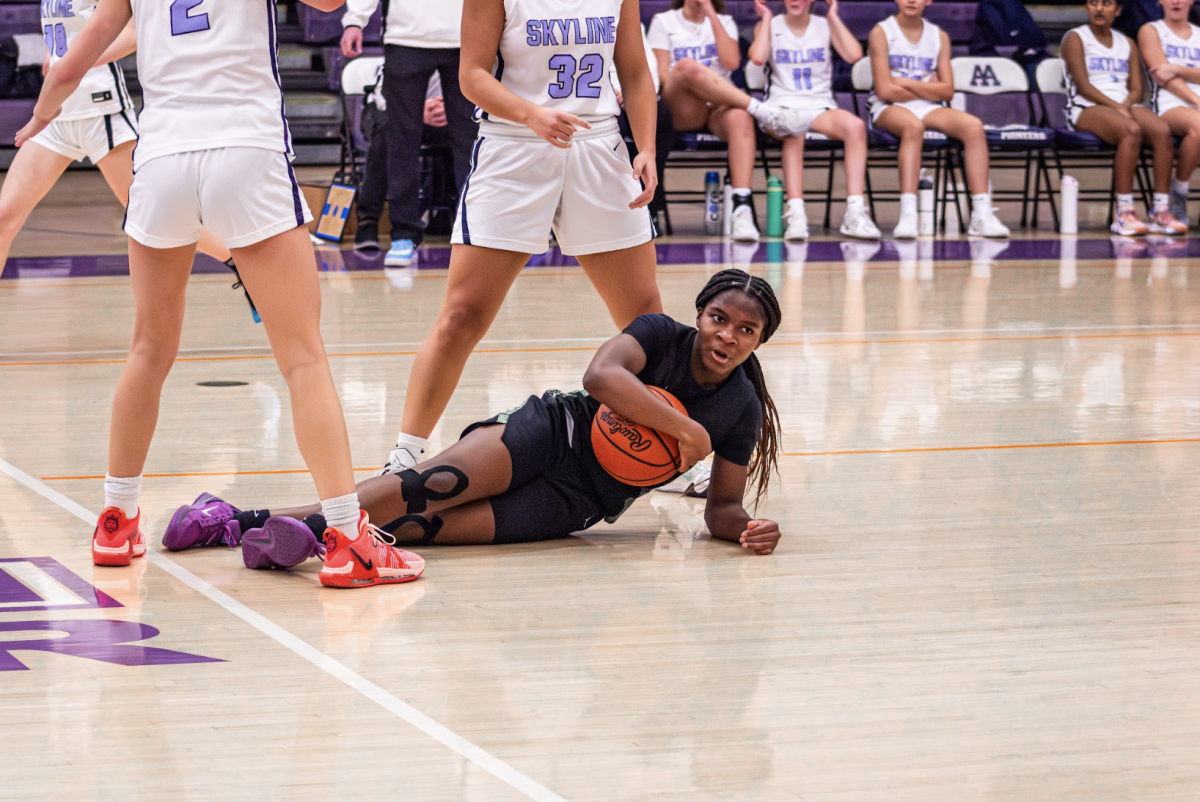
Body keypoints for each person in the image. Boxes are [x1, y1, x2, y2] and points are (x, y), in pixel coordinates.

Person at [17, 0, 420, 587]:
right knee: (303, 357)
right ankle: (350, 541)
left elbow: (71, 61)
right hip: (244, 148)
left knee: (147, 351)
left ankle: (115, 519)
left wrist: (40, 118)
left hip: (161, 159)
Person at [163, 270, 784, 563]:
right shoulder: (658, 333)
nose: (727, 335)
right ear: (699, 314)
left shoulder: (740, 409)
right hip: (550, 433)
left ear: (758, 342)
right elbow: (601, 378)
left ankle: (290, 542)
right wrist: (682, 429)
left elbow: (721, 507)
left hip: (579, 500)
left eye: (745, 330)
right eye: (718, 318)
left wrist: (746, 528)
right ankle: (233, 519)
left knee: (418, 531)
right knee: (424, 488)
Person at [376, 0, 664, 480]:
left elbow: (634, 72)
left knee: (646, 319)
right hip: (514, 147)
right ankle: (405, 454)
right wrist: (530, 113)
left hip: (598, 146)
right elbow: (471, 75)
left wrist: (648, 148)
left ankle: (674, 441)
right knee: (462, 316)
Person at [0, 11, 234, 275]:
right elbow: (67, 29)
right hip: (57, 114)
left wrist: (76, 63)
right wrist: (51, 54)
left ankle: (242, 265)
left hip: (102, 113)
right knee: (4, 217)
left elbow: (132, 34)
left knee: (158, 216)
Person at [341, 0, 476, 266]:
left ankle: (474, 229)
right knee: (401, 141)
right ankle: (404, 234)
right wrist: (355, 19)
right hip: (405, 36)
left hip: (467, 36)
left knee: (470, 142)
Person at [649, 0, 795, 242]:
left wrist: (710, 14)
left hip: (719, 104)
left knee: (740, 117)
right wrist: (698, 83)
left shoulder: (724, 21)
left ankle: (742, 206)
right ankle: (761, 109)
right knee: (686, 67)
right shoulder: (663, 21)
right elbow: (663, 77)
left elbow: (731, 63)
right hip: (683, 106)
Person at [868, 0, 1010, 239]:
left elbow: (947, 92)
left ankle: (981, 214)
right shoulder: (881, 32)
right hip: (889, 108)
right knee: (914, 126)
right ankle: (908, 213)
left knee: (973, 127)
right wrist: (927, 86)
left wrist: (904, 81)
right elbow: (884, 91)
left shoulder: (939, 36)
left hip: (929, 107)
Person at [748, 0, 882, 241]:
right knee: (794, 128)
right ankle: (796, 213)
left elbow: (854, 55)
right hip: (781, 106)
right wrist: (766, 18)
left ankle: (855, 212)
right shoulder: (771, 24)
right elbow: (757, 58)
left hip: (819, 105)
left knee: (856, 127)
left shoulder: (824, 24)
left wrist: (832, 15)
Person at [1064, 0, 1186, 235]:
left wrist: (1124, 106)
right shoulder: (1076, 37)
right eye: (1093, 3)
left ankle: (1161, 210)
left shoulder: (1127, 42)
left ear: (1118, 10)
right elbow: (1082, 85)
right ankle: (1124, 212)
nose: (1099, 9)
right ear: (1086, 8)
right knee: (1131, 130)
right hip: (1087, 106)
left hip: (1123, 105)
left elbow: (1137, 90)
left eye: (1107, 3)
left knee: (1161, 130)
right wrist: (1116, 107)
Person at [354, 72, 454, 251]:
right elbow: (383, 101)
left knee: (471, 127)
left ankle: (462, 215)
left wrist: (453, 109)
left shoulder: (462, 50)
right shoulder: (404, 50)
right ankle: (368, 220)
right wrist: (415, 112)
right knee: (388, 129)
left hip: (441, 114)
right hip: (386, 111)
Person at [1139, 0, 1200, 226]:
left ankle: (1179, 189)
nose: (1176, 1)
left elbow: (1169, 70)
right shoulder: (1151, 30)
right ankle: (1179, 192)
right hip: (1169, 103)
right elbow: (1163, 76)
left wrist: (1176, 67)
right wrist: (1195, 98)